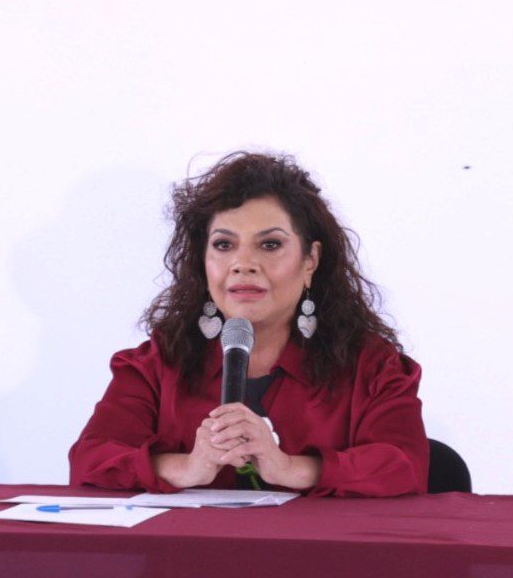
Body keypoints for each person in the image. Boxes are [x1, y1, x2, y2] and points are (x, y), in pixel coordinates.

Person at [70, 151, 427, 496]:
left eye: (269, 245)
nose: (243, 264)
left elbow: (406, 466)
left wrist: (289, 468)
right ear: (202, 262)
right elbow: (90, 461)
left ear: (310, 260)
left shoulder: (372, 366)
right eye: (224, 245)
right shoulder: (157, 363)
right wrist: (187, 468)